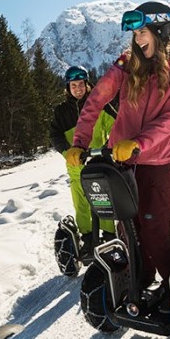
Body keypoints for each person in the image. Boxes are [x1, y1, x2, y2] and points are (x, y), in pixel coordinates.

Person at [65, 1, 170, 294]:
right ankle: (137, 285)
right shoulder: (126, 65)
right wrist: (80, 142)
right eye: (135, 34)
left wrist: (138, 143)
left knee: (154, 233)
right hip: (120, 163)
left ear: (161, 31)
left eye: (142, 32)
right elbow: (95, 101)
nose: (137, 39)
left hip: (155, 163)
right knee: (128, 231)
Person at [50, 65, 117, 256]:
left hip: (99, 160)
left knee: (103, 199)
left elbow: (115, 124)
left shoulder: (99, 104)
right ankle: (88, 239)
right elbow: (55, 135)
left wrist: (110, 145)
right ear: (67, 87)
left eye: (81, 84)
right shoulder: (61, 112)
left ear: (87, 85)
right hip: (76, 165)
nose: (78, 88)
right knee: (81, 203)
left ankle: (109, 236)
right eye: (73, 85)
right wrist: (66, 151)